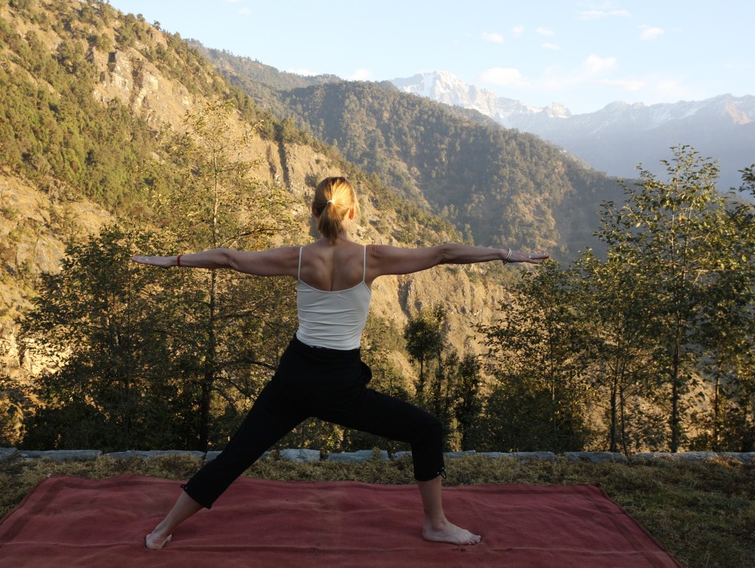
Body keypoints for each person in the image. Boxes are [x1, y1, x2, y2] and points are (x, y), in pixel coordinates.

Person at [132, 176, 548, 549]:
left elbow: (226, 257)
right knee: (427, 429)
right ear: (352, 213)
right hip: (340, 385)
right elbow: (442, 253)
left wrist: (176, 260)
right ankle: (435, 524)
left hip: (293, 378)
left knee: (235, 455)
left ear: (314, 212)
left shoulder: (296, 258)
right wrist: (503, 253)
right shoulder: (371, 259)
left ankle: (161, 530)